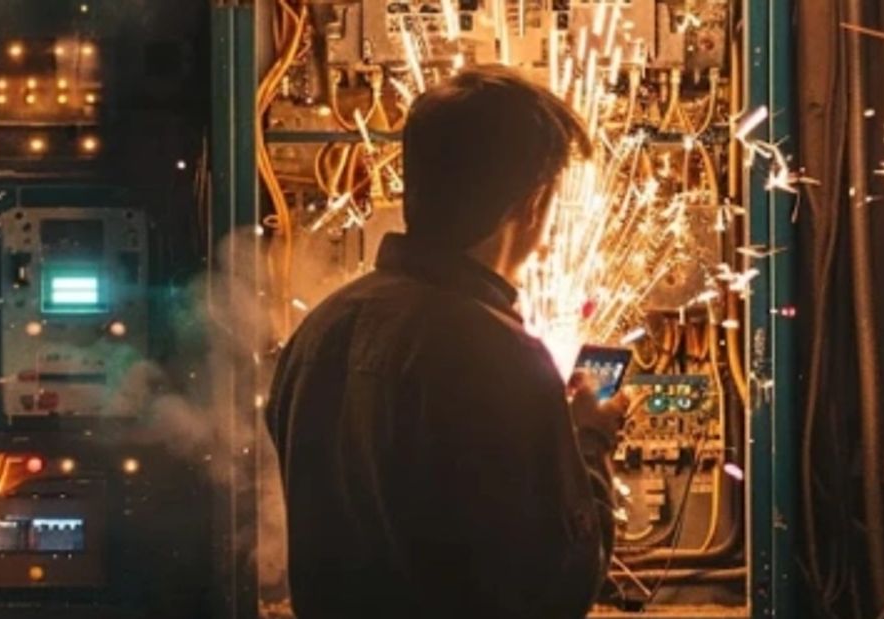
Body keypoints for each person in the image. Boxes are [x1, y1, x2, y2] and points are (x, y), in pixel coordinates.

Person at [265, 65, 626, 618]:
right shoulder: (501, 355)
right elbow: (562, 583)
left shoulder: (322, 328)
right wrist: (589, 443)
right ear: (533, 205)